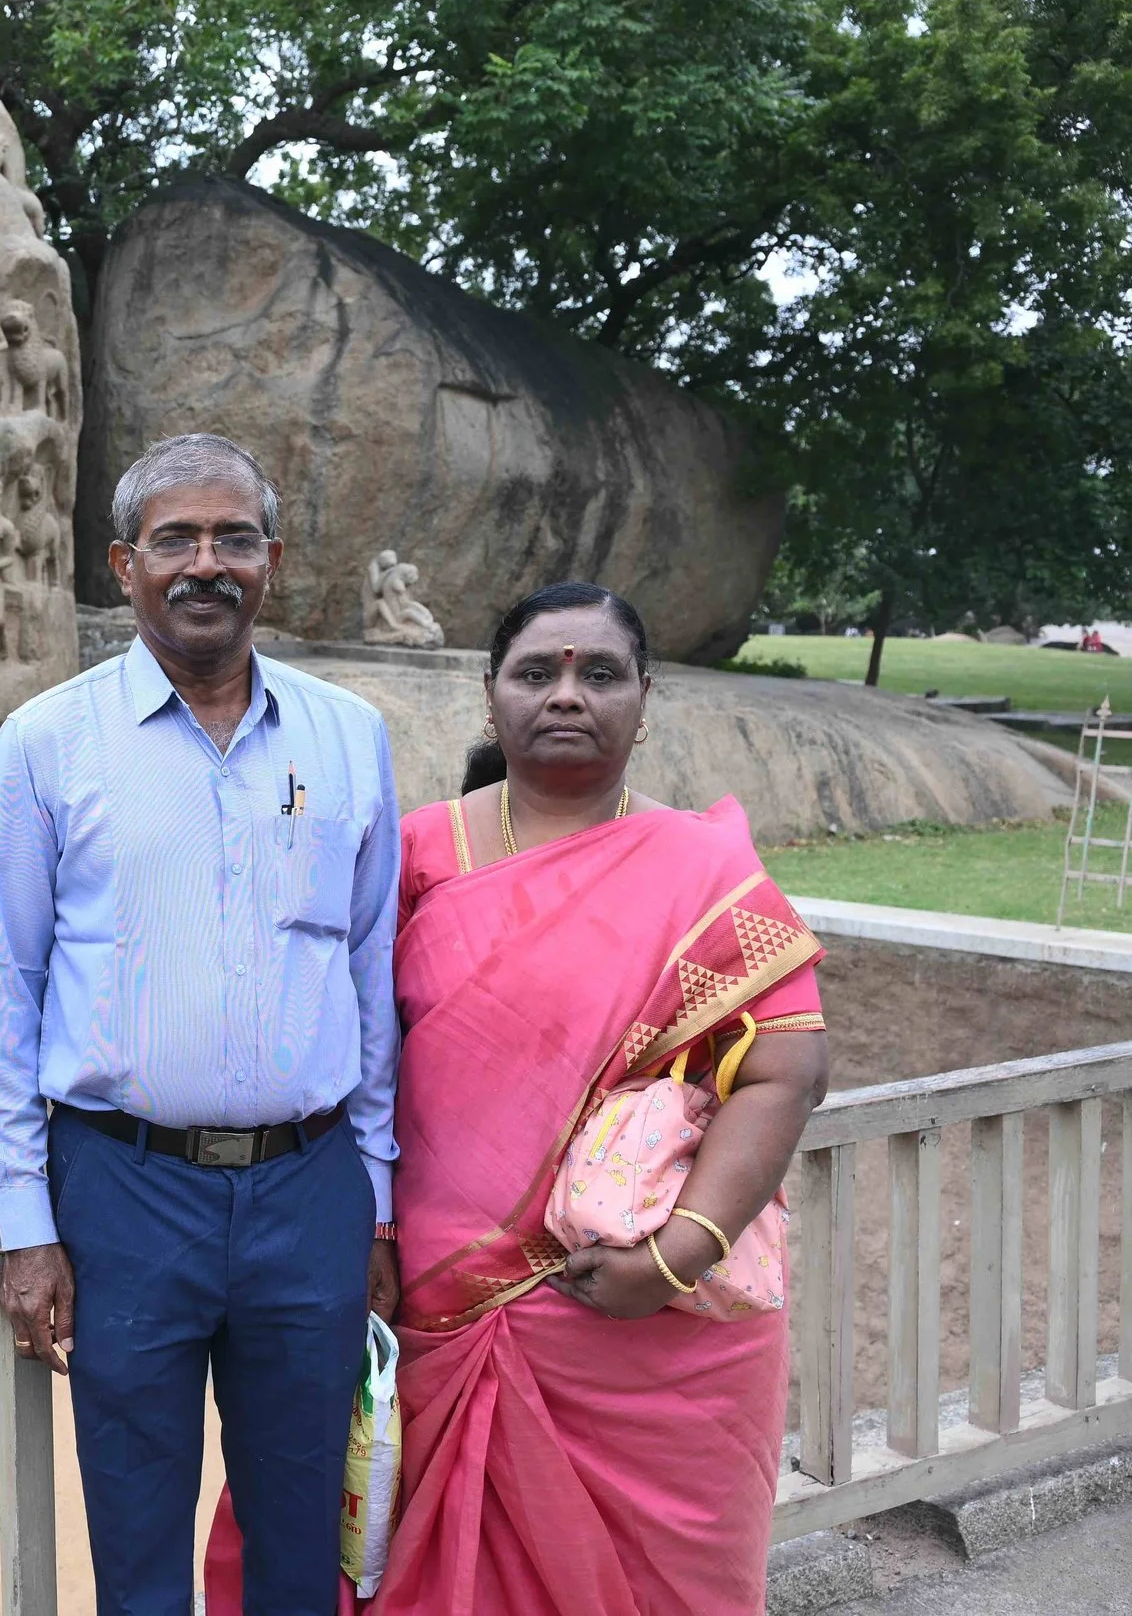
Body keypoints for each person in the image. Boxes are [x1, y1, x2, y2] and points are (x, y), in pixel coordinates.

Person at [202, 581, 829, 1616]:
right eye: (537, 672)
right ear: (489, 696)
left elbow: (787, 1069)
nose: (566, 694)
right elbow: (329, 1041)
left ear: (645, 697)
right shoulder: (411, 854)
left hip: (638, 1316)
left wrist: (673, 1256)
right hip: (422, 1298)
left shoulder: (704, 868)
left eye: (600, 673)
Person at [0, 432, 401, 1615]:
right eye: (176, 539)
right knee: (138, 1532)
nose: (205, 562)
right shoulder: (48, 742)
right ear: (126, 564)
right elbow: (4, 984)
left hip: (309, 1188)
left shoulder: (344, 737)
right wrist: (26, 1222)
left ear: (271, 560)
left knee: (300, 1533)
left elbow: (369, 973)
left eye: (232, 538)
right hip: (122, 1192)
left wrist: (374, 1196)